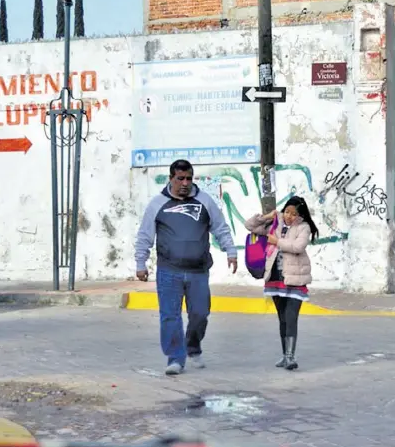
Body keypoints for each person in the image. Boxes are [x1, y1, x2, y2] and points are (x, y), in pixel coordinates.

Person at [135, 159, 238, 376]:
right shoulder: (157, 204)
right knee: (170, 316)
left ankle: (193, 346)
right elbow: (145, 235)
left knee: (200, 313)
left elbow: (220, 227)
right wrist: (140, 263)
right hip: (168, 271)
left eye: (189, 178)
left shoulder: (205, 201)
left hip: (198, 271)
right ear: (171, 178)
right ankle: (175, 358)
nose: (185, 183)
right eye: (180, 178)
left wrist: (231, 251)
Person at [244, 196, 318, 370]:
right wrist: (266, 217)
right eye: (287, 212)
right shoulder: (275, 225)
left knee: (291, 317)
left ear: (300, 215)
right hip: (275, 279)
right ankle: (285, 355)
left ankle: (290, 357)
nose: (289, 216)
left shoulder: (303, 227)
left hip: (295, 280)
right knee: (282, 319)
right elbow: (250, 226)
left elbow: (298, 247)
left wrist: (277, 241)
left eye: (293, 214)